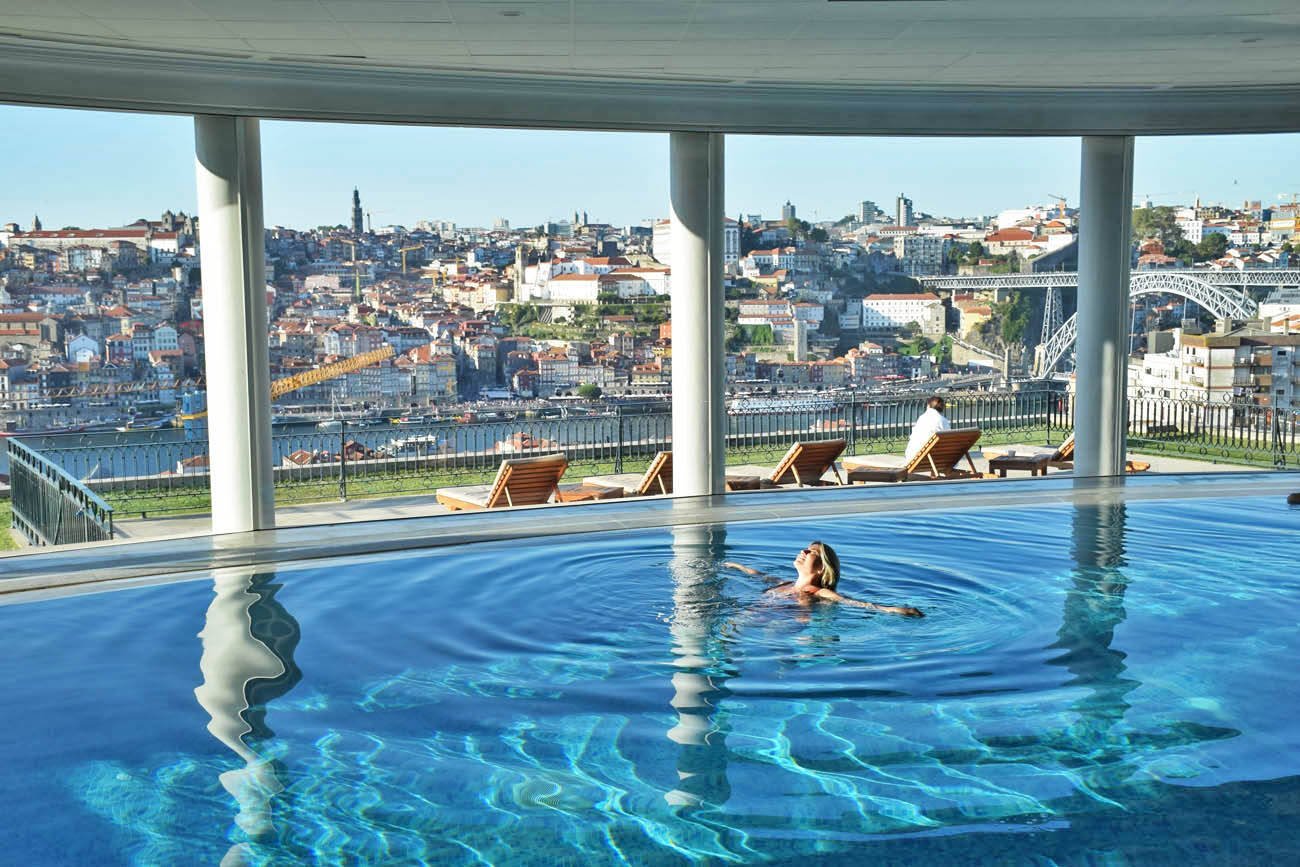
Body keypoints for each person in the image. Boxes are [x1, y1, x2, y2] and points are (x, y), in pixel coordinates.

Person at [724, 541, 924, 617]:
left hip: (779, 624)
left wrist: (893, 609)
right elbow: (757, 575)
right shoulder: (784, 583)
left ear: (821, 569)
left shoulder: (818, 592)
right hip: (753, 616)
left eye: (811, 552)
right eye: (805, 548)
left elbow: (854, 603)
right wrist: (735, 566)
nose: (803, 551)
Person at [904, 395, 951, 462]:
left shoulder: (922, 418)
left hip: (915, 456)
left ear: (928, 405)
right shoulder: (943, 420)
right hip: (937, 458)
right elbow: (947, 440)